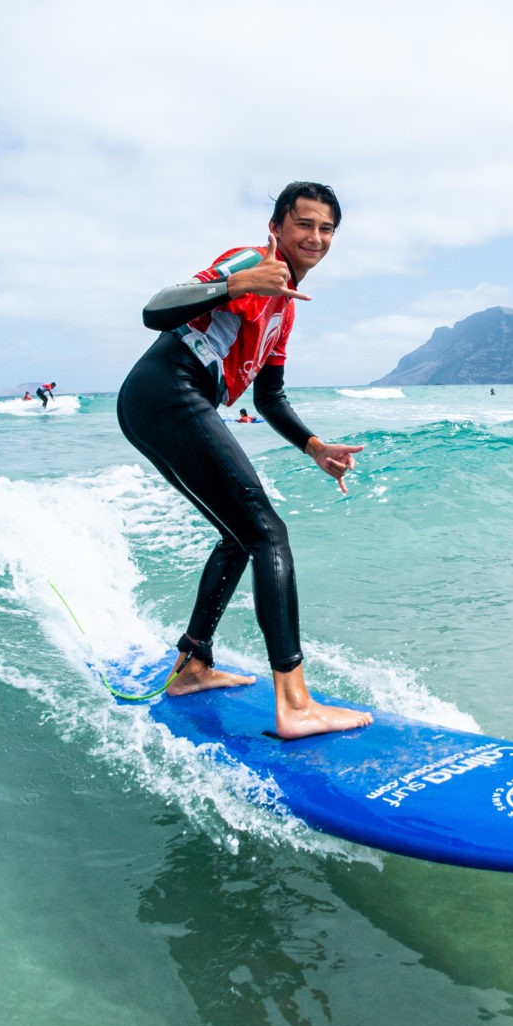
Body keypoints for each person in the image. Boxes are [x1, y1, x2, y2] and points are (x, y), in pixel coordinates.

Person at [118, 180, 369, 740]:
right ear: (277, 227)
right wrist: (236, 283)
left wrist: (315, 447)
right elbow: (154, 310)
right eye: (304, 224)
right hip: (167, 389)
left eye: (326, 229)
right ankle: (295, 703)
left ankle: (192, 666)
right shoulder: (251, 261)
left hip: (163, 401)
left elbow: (268, 397)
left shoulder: (286, 307)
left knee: (241, 534)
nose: (315, 237)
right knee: (267, 534)